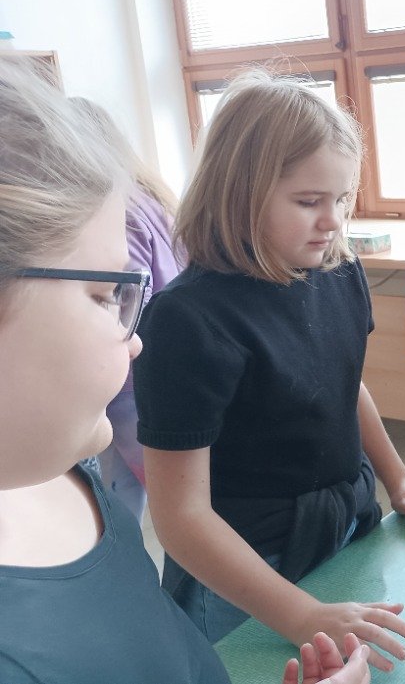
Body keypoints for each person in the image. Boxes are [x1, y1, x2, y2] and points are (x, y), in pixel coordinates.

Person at [0, 60, 371, 684]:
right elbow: (184, 521)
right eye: (105, 296)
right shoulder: (190, 319)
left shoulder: (86, 493)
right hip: (254, 556)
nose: (135, 339)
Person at [133, 69, 405, 670]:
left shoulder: (339, 272)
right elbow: (181, 517)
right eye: (309, 202)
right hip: (244, 570)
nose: (333, 221)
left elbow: (344, 385)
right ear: (238, 193)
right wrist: (298, 614)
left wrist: (398, 479)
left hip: (345, 528)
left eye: (341, 199)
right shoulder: (187, 319)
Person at [69, 96, 184, 522]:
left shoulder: (118, 210)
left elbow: (126, 298)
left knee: (141, 492)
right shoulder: (153, 198)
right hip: (160, 365)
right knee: (133, 485)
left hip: (133, 375)